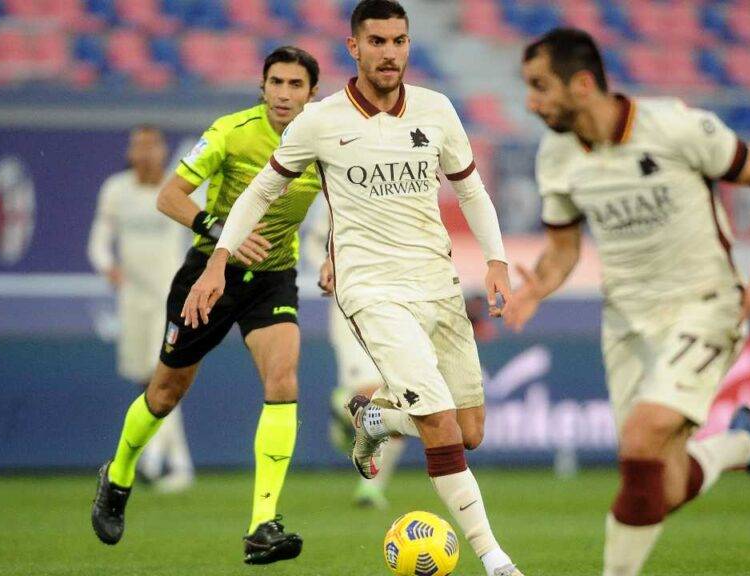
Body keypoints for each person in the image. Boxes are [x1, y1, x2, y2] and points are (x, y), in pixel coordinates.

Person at [182, 2, 525, 575]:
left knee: (471, 432)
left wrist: (497, 262)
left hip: (437, 286)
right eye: (377, 42)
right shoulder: (320, 121)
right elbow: (261, 193)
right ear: (354, 47)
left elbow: (471, 191)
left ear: (409, 45)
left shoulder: (437, 110)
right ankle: (495, 559)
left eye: (398, 41)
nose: (389, 53)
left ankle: (374, 421)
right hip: (371, 290)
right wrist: (218, 260)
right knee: (440, 425)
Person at [509, 28, 750, 576]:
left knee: (642, 436)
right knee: (656, 481)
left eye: (541, 87)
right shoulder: (556, 155)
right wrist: (537, 286)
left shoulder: (675, 126)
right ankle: (739, 448)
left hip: (704, 305)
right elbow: (563, 250)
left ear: (583, 84)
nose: (531, 102)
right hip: (626, 324)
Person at [91, 46, 323, 566]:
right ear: (261, 87)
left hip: (273, 278)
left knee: (284, 380)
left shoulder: (323, 141)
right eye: (276, 83)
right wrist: (223, 235)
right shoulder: (230, 132)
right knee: (165, 392)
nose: (284, 94)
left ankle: (263, 523)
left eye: (295, 85)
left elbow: (344, 207)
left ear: (312, 93)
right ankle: (120, 474)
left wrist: (332, 254)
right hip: (209, 274)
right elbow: (170, 196)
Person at [87, 125, 194, 494]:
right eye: (138, 146)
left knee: (159, 378)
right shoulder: (116, 190)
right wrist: (107, 266)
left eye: (152, 146)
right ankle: (179, 464)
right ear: (130, 152)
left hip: (170, 296)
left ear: (163, 151)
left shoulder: (177, 189)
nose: (145, 153)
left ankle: (151, 462)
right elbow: (99, 241)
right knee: (144, 381)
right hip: (132, 299)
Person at [303, 206, 406, 510]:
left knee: (401, 401)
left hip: (398, 310)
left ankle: (371, 488)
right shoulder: (343, 191)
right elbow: (316, 243)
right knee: (370, 391)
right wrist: (326, 267)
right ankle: (347, 409)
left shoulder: (404, 193)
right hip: (353, 307)